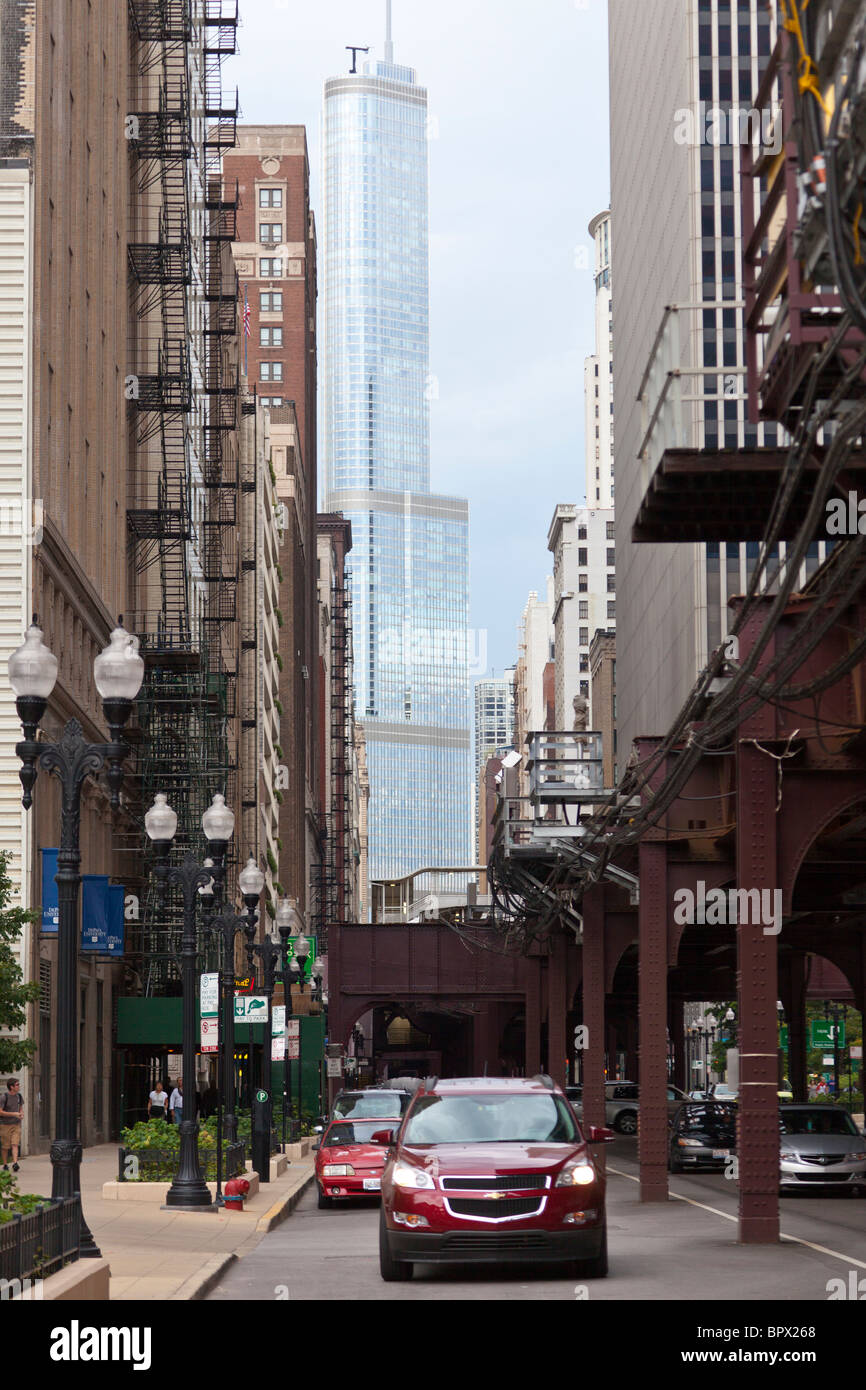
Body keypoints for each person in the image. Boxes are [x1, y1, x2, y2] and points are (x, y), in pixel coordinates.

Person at [0, 1079, 24, 1171]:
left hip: (16, 1124)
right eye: (17, 1085)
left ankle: (15, 1163)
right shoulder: (4, 1097)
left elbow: (20, 1108)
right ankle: (5, 1164)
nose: (19, 1086)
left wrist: (21, 1114)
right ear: (12, 1087)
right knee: (5, 1146)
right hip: (5, 1125)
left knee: (15, 1144)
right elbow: (0, 1112)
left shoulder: (19, 1096)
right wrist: (14, 1114)